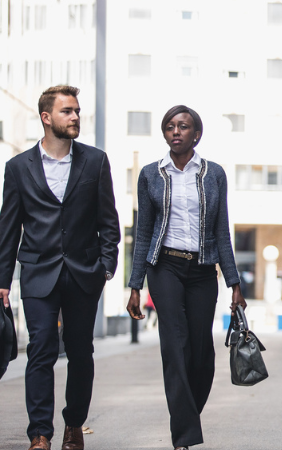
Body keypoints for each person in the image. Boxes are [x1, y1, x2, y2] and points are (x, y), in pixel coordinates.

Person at [0, 85, 120, 450]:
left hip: (84, 273)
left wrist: (106, 267)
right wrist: (2, 281)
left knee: (81, 352)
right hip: (38, 272)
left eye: (78, 111)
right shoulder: (18, 167)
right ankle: (40, 433)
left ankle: (74, 426)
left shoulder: (95, 161)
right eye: (68, 111)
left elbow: (108, 221)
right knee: (41, 349)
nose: (75, 117)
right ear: (46, 117)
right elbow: (8, 228)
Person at [126, 105, 245, 450]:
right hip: (163, 267)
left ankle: (186, 417)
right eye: (169, 127)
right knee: (175, 347)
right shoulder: (151, 174)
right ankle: (185, 437)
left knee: (202, 355)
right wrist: (135, 285)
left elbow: (222, 231)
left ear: (196, 134)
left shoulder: (214, 174)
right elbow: (143, 232)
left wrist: (234, 283)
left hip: (203, 270)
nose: (175, 131)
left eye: (183, 126)